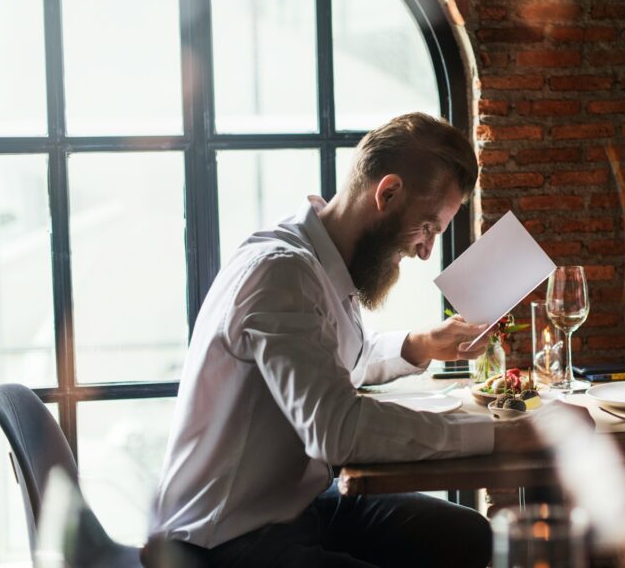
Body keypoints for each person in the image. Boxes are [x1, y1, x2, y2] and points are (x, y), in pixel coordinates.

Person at [148, 113, 535, 568]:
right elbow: (335, 428)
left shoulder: (320, 262)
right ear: (387, 193)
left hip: (298, 506)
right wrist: (497, 436)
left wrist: (419, 344)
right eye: (428, 227)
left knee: (471, 536)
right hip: (223, 538)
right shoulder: (281, 272)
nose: (426, 250)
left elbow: (330, 361)